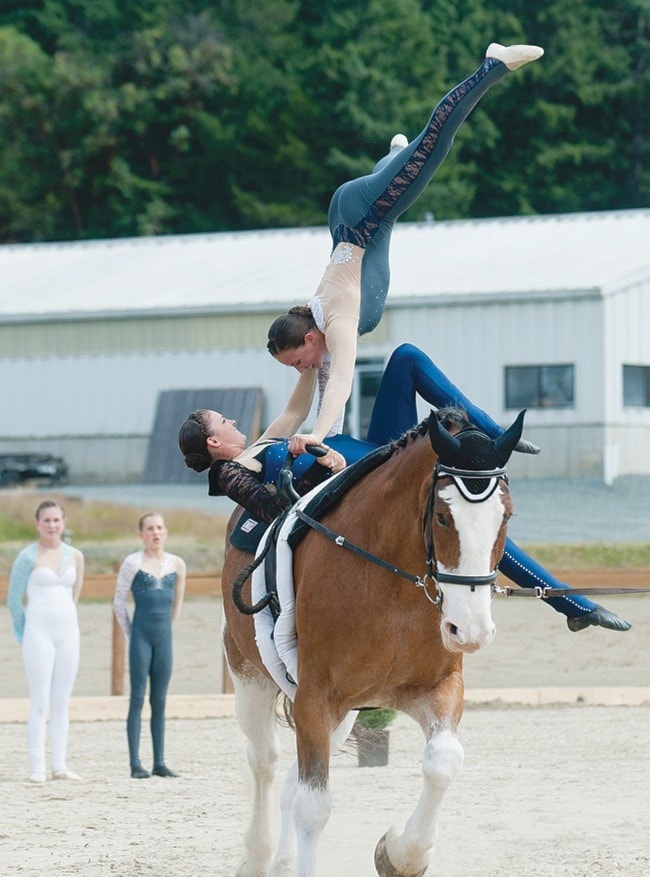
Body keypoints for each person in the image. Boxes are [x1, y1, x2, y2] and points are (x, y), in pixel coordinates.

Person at [179, 344, 630, 634]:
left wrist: (320, 338)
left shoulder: (262, 440)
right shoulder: (230, 474)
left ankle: (493, 432)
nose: (233, 420)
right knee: (458, 514)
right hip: (360, 476)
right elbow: (275, 505)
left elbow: (301, 399)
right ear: (215, 443)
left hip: (374, 449)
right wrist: (317, 464)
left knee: (407, 358)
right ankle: (570, 602)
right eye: (224, 421)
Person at [264, 42, 545, 454]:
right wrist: (252, 452)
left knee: (434, 145)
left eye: (296, 362)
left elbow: (341, 383)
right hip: (351, 219)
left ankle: (493, 64)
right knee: (400, 179)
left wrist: (318, 438)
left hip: (361, 217)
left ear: (308, 339)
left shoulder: (337, 320)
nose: (300, 369)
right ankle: (393, 154)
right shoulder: (314, 344)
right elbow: (292, 413)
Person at [7, 500, 85, 783]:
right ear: (38, 524)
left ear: (63, 523)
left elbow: (74, 594)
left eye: (56, 520)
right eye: (47, 521)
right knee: (40, 700)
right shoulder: (27, 557)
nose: (52, 526)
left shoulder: (75, 555)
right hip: (37, 634)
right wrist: (24, 633)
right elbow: (14, 601)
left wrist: (67, 622)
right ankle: (37, 767)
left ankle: (60, 765)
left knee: (62, 699)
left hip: (68, 632)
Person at [112, 513, 187, 779]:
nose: (155, 532)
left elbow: (177, 603)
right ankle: (135, 763)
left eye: (159, 527)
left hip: (164, 638)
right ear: (142, 534)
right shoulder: (133, 563)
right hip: (140, 638)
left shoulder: (177, 564)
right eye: (149, 528)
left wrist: (169, 628)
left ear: (165, 532)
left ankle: (159, 762)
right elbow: (118, 602)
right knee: (137, 698)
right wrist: (131, 633)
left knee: (160, 700)